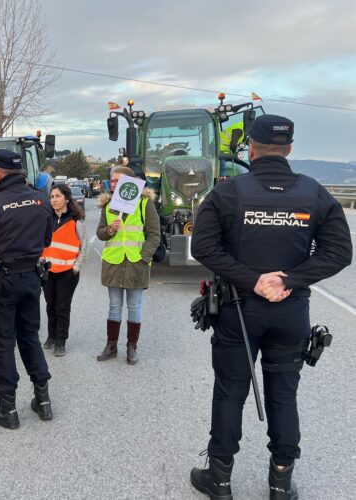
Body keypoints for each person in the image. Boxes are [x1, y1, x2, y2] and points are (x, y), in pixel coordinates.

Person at [189, 115, 352, 500]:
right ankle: (280, 483)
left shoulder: (228, 192)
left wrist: (253, 280)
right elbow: (339, 253)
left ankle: (221, 479)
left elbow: (203, 248)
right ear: (290, 148)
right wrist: (288, 281)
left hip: (239, 310)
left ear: (250, 148)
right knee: (283, 395)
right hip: (290, 311)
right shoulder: (314, 193)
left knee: (230, 391)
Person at [0, 149, 54, 429]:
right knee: (29, 337)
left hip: (2, 281)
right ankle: (43, 400)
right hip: (31, 278)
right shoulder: (40, 199)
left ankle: (7, 407)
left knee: (3, 341)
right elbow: (48, 237)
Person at [95, 165, 160, 365]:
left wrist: (144, 257)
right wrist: (109, 230)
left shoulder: (144, 204)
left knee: (134, 306)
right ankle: (111, 345)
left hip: (135, 263)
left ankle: (132, 347)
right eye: (112, 181)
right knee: (114, 306)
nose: (113, 184)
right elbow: (100, 233)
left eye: (117, 181)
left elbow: (154, 235)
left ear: (129, 183)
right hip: (113, 261)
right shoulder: (108, 205)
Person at [40, 183, 87, 357]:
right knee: (50, 306)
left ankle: (61, 341)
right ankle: (51, 336)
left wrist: (75, 268)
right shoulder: (45, 219)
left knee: (62, 307)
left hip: (67, 273)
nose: (54, 200)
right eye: (52, 197)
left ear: (66, 199)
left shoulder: (75, 221)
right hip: (48, 271)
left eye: (58, 196)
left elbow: (84, 248)